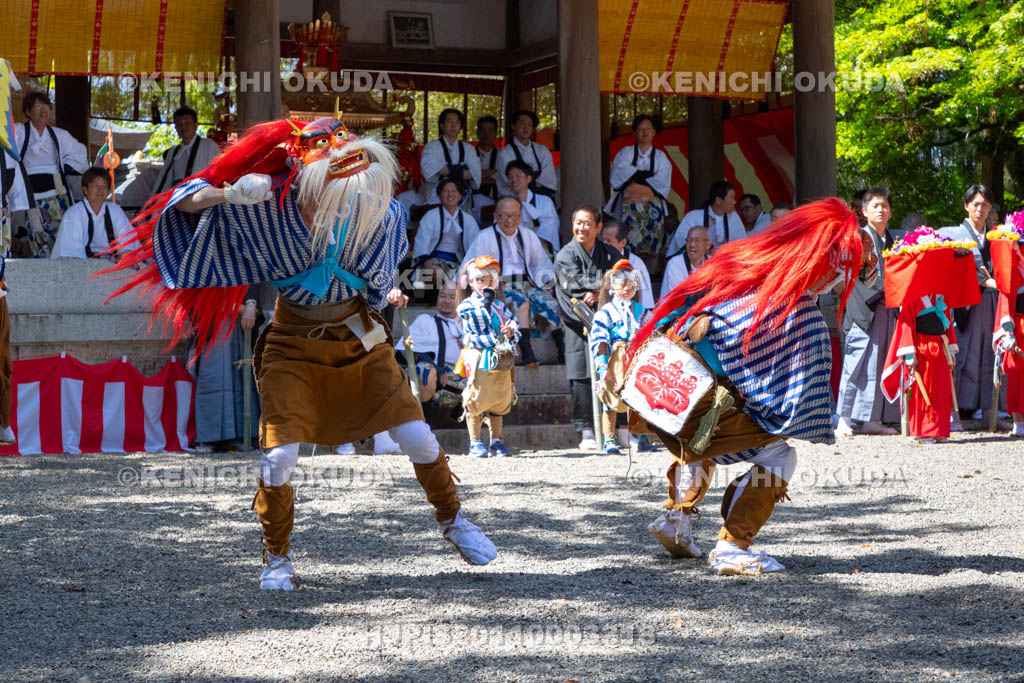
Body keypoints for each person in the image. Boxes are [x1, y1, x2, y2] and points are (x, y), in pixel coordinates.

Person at [103, 113, 497, 590]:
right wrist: (228, 193)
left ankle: (454, 520)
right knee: (279, 455)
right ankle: (276, 558)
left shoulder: (380, 211)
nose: (352, 195)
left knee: (416, 435)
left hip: (356, 334)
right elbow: (183, 202)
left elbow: (377, 285)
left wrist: (377, 304)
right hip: (291, 339)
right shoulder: (266, 204)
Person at [633, 198, 866, 574]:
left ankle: (676, 519)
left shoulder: (742, 266)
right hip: (695, 411)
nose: (839, 281)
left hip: (662, 392)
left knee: (711, 424)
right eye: (839, 270)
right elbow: (792, 409)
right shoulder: (800, 312)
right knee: (779, 454)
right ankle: (733, 546)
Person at [462, 196, 563, 367]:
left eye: (515, 215)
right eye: (505, 216)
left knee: (551, 303)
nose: (510, 220)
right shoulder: (485, 236)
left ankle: (562, 349)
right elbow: (471, 264)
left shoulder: (528, 235)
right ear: (495, 216)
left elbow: (541, 264)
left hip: (527, 283)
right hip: (500, 287)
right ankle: (527, 351)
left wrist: (547, 284)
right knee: (521, 302)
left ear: (521, 215)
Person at [554, 205, 623, 451]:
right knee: (581, 375)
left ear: (598, 227)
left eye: (587, 223)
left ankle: (617, 428)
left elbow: (623, 279)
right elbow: (570, 286)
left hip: (608, 322)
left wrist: (597, 291)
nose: (582, 227)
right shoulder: (565, 255)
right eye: (578, 223)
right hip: (578, 324)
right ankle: (586, 430)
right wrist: (603, 285)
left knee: (615, 371)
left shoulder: (610, 253)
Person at [939, 185, 1006, 430]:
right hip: (963, 304)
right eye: (975, 204)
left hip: (992, 302)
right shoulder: (951, 234)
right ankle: (951, 413)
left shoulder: (998, 237)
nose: (980, 209)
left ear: (990, 209)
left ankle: (990, 413)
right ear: (966, 205)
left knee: (991, 356)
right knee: (960, 356)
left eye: (985, 205)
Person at [836, 186, 900, 435]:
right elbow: (854, 275)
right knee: (856, 362)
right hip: (863, 307)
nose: (881, 210)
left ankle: (873, 419)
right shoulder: (857, 237)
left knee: (879, 361)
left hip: (887, 308)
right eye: (875, 205)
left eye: (885, 205)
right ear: (864, 210)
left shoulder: (892, 239)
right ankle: (844, 418)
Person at [456, 256, 520, 457]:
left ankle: (496, 440)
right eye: (480, 280)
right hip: (478, 354)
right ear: (471, 282)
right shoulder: (466, 306)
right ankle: (475, 441)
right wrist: (496, 334)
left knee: (499, 398)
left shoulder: (500, 306)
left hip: (499, 355)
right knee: (476, 397)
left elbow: (514, 322)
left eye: (489, 280)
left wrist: (511, 330)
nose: (485, 284)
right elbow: (474, 326)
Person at [14, 91, 89, 257]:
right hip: (31, 197)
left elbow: (80, 152)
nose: (44, 110)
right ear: (27, 112)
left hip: (57, 195)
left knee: (61, 238)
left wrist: (68, 168)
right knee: (37, 240)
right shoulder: (20, 132)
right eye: (38, 106)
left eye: (46, 106)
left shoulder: (59, 135)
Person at [189, 286, 264, 452]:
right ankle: (212, 437)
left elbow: (251, 277)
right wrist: (240, 307)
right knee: (214, 374)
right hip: (213, 321)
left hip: (241, 320)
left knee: (243, 375)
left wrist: (251, 305)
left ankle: (245, 434)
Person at [589, 259, 650, 454]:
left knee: (639, 397)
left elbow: (651, 329)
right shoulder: (605, 312)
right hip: (615, 358)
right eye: (623, 285)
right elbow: (600, 340)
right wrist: (602, 365)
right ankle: (609, 438)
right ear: (613, 287)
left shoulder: (640, 311)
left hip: (636, 357)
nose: (627, 289)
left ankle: (641, 436)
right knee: (610, 398)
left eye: (631, 286)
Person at [603, 115, 672, 257]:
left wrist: (635, 179)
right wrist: (647, 179)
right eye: (641, 129)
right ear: (634, 132)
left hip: (653, 209)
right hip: (629, 208)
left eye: (648, 129)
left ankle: (651, 276)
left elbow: (662, 184)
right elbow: (620, 175)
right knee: (629, 246)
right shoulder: (625, 153)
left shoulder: (661, 157)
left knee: (653, 248)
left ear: (654, 132)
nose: (645, 132)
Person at [50, 167, 135, 259]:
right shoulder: (74, 213)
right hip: (83, 263)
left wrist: (126, 257)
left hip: (112, 262)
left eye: (104, 186)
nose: (100, 190)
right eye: (95, 186)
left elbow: (127, 240)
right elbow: (73, 252)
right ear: (85, 190)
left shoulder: (115, 210)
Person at [412, 176, 480, 289]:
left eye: (454, 191)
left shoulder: (468, 219)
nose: (450, 195)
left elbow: (476, 246)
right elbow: (421, 242)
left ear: (460, 196)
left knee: (470, 274)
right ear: (439, 196)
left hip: (458, 260)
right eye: (445, 191)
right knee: (436, 272)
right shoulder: (430, 216)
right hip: (434, 260)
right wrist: (426, 261)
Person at [990, 212, 1024, 435]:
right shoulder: (1013, 273)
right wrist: (1007, 331)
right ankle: (1019, 421)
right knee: (1017, 375)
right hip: (1020, 326)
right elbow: (1005, 300)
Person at [418, 108, 481, 209]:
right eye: (449, 122)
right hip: (436, 198)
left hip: (463, 198)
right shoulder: (432, 147)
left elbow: (475, 173)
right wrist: (461, 170)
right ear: (442, 125)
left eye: (457, 122)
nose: (453, 126)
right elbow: (430, 171)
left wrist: (446, 170)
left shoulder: (468, 148)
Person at [151, 106, 221, 195]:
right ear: (176, 128)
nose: (183, 127)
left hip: (201, 195)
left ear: (195, 125)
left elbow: (217, 173)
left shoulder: (209, 146)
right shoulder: (172, 152)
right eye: (179, 124)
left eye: (187, 123)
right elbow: (164, 180)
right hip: (176, 195)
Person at [665, 180, 744, 254]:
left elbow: (741, 244)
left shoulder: (734, 217)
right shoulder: (693, 217)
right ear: (718, 201)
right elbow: (681, 241)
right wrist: (703, 251)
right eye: (732, 198)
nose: (734, 202)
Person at [495, 110, 558, 199]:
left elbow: (548, 178)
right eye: (522, 124)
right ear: (513, 126)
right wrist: (534, 184)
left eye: (529, 125)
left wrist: (527, 184)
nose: (526, 128)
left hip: (540, 198)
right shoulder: (505, 153)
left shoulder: (542, 150)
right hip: (514, 199)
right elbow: (511, 181)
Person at [504, 160, 559, 254]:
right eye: (510, 177)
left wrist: (519, 234)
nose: (513, 179)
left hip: (541, 251)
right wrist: (532, 229)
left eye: (518, 175)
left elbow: (548, 230)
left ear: (528, 179)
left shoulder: (544, 201)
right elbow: (502, 231)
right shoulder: (505, 205)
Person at [600, 219, 654, 311]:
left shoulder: (636, 264)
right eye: (602, 240)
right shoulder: (598, 257)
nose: (604, 244)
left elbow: (646, 303)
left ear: (623, 242)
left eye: (609, 241)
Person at [660, 225, 711, 298]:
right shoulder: (675, 263)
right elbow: (680, 297)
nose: (692, 244)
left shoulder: (712, 263)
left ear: (708, 245)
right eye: (689, 240)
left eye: (697, 240)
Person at [474, 115, 500, 207]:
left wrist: (477, 177)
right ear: (477, 133)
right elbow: (466, 177)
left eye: (490, 130)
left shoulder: (503, 154)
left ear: (496, 133)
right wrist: (494, 172)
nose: (486, 134)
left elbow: (503, 178)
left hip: (497, 201)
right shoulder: (469, 153)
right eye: (482, 130)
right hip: (471, 201)